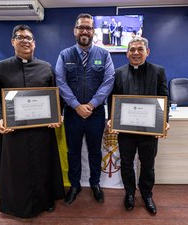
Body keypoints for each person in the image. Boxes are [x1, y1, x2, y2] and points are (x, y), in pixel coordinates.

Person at [0, 24, 64, 218]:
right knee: (17, 170)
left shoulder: (46, 68)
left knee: (43, 166)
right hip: (14, 133)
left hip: (42, 132)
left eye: (28, 38)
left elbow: (56, 98)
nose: (25, 41)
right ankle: (16, 206)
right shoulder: (1, 67)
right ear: (13, 42)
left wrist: (57, 115)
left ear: (34, 43)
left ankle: (46, 201)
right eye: (20, 37)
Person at [55, 13, 115, 205]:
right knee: (73, 151)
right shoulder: (64, 55)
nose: (85, 31)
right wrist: (75, 105)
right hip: (72, 114)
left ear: (93, 32)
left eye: (88, 28)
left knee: (95, 152)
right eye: (81, 27)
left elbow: (108, 81)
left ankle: (95, 183)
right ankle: (75, 185)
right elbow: (60, 82)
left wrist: (91, 105)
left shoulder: (104, 55)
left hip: (96, 114)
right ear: (75, 30)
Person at [108, 36, 170, 214]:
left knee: (148, 164)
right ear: (127, 53)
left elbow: (164, 97)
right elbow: (112, 98)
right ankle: (129, 193)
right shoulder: (118, 73)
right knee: (126, 163)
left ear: (147, 52)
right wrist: (111, 117)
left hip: (149, 130)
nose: (136, 53)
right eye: (132, 50)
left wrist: (165, 121)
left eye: (139, 49)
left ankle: (147, 195)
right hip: (125, 130)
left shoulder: (158, 71)